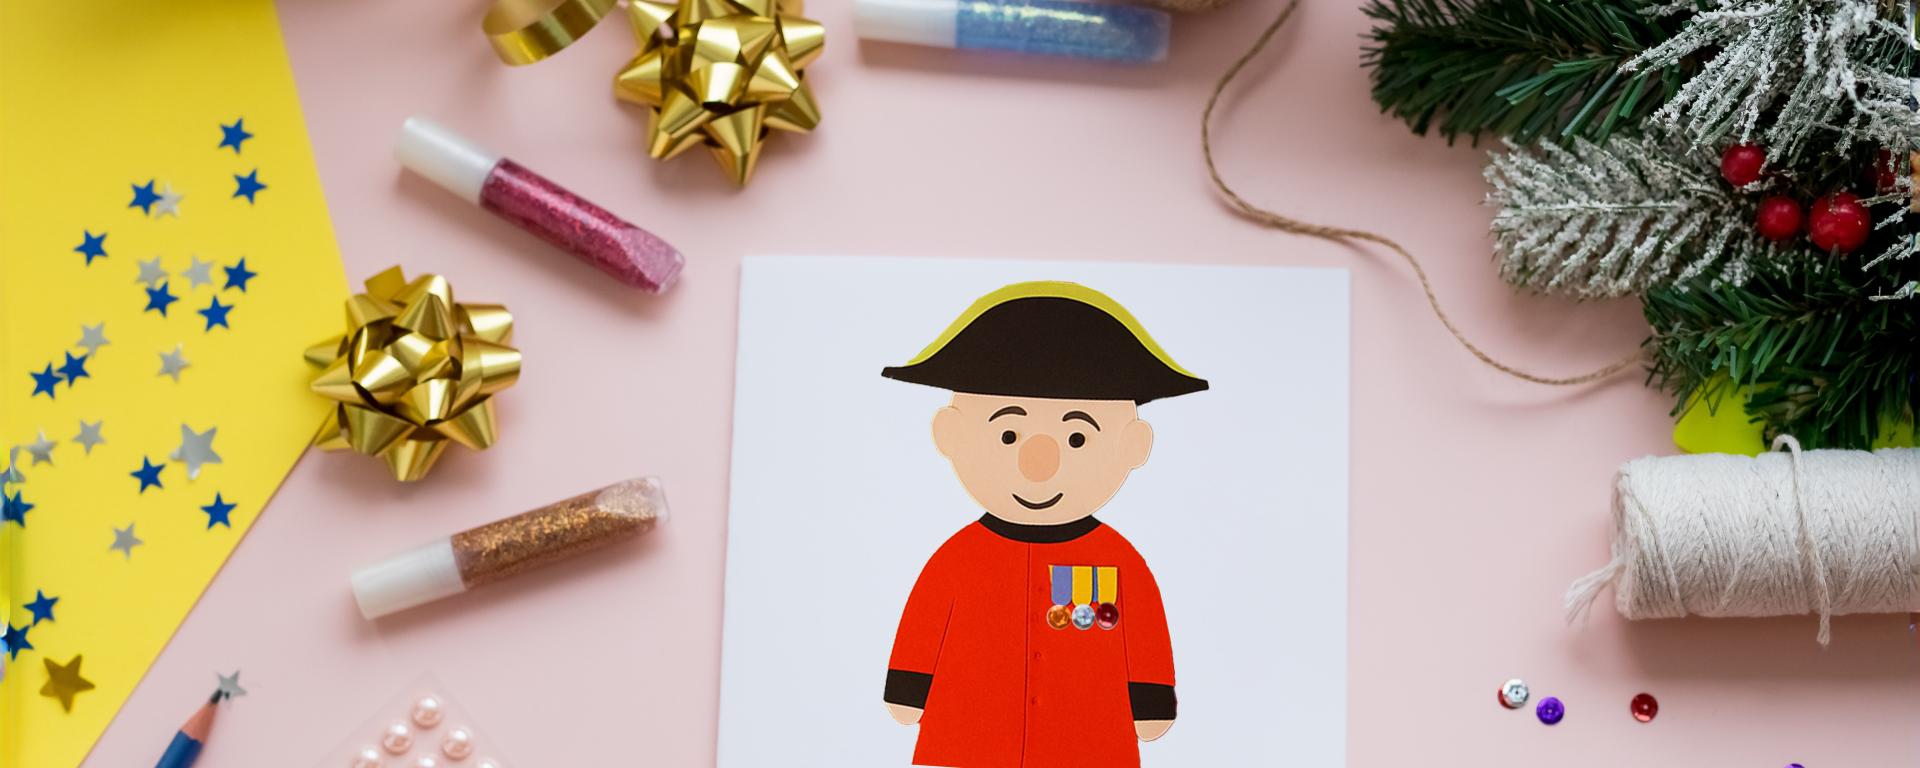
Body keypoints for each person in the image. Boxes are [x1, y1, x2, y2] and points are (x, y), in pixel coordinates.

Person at [879, 281, 1209, 767]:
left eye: (1077, 438)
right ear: (950, 434)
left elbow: (1143, 629)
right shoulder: (958, 557)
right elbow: (924, 619)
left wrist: (1151, 698)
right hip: (970, 736)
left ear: (1133, 445)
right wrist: (909, 686)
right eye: (1008, 433)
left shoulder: (1118, 560)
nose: (1041, 463)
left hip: (1086, 739)